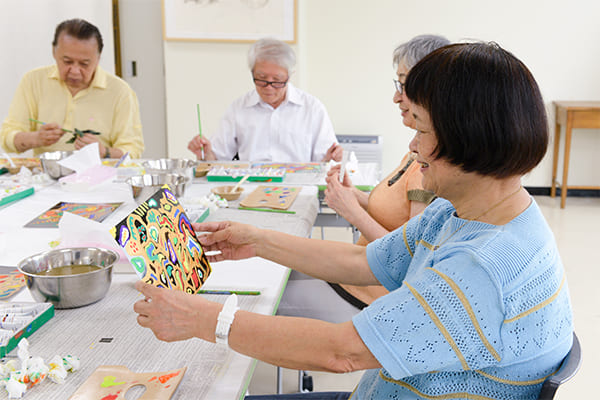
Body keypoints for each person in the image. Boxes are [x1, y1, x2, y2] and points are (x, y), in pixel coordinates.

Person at [134, 42, 573, 399]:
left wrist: (204, 320)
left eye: (420, 128)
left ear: (470, 139)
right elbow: (363, 262)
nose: (414, 147)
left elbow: (341, 352)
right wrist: (257, 239)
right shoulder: (460, 210)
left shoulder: (484, 269)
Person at [277, 35, 450, 323]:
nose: (396, 97)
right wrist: (354, 195)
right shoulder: (417, 148)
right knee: (276, 268)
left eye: (404, 85)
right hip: (356, 271)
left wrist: (351, 211)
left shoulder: (429, 164)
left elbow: (409, 257)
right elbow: (399, 216)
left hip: (371, 293)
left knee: (268, 293)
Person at [1, 18, 144, 159]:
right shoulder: (33, 81)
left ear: (98, 58)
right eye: (67, 62)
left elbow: (133, 151)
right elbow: (7, 136)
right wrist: (36, 138)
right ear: (54, 52)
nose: (75, 71)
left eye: (84, 64)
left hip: (98, 177)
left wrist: (104, 152)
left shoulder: (120, 91)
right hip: (46, 176)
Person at [187, 38, 342, 163]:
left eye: (277, 80)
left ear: (290, 75)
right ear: (252, 73)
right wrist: (205, 153)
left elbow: (325, 161)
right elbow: (216, 160)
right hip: (250, 188)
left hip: (300, 188)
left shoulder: (312, 108)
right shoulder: (239, 108)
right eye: (261, 79)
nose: (269, 87)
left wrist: (332, 159)